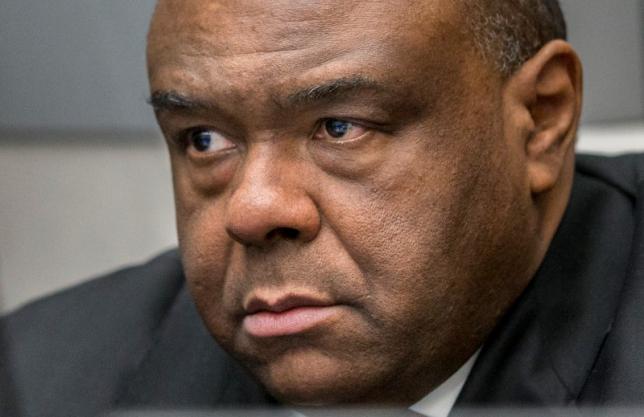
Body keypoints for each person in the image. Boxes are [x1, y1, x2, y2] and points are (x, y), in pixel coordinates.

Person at [1, 0, 643, 416]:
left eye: (340, 127)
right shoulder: (37, 382)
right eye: (204, 139)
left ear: (540, 119)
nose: (250, 211)